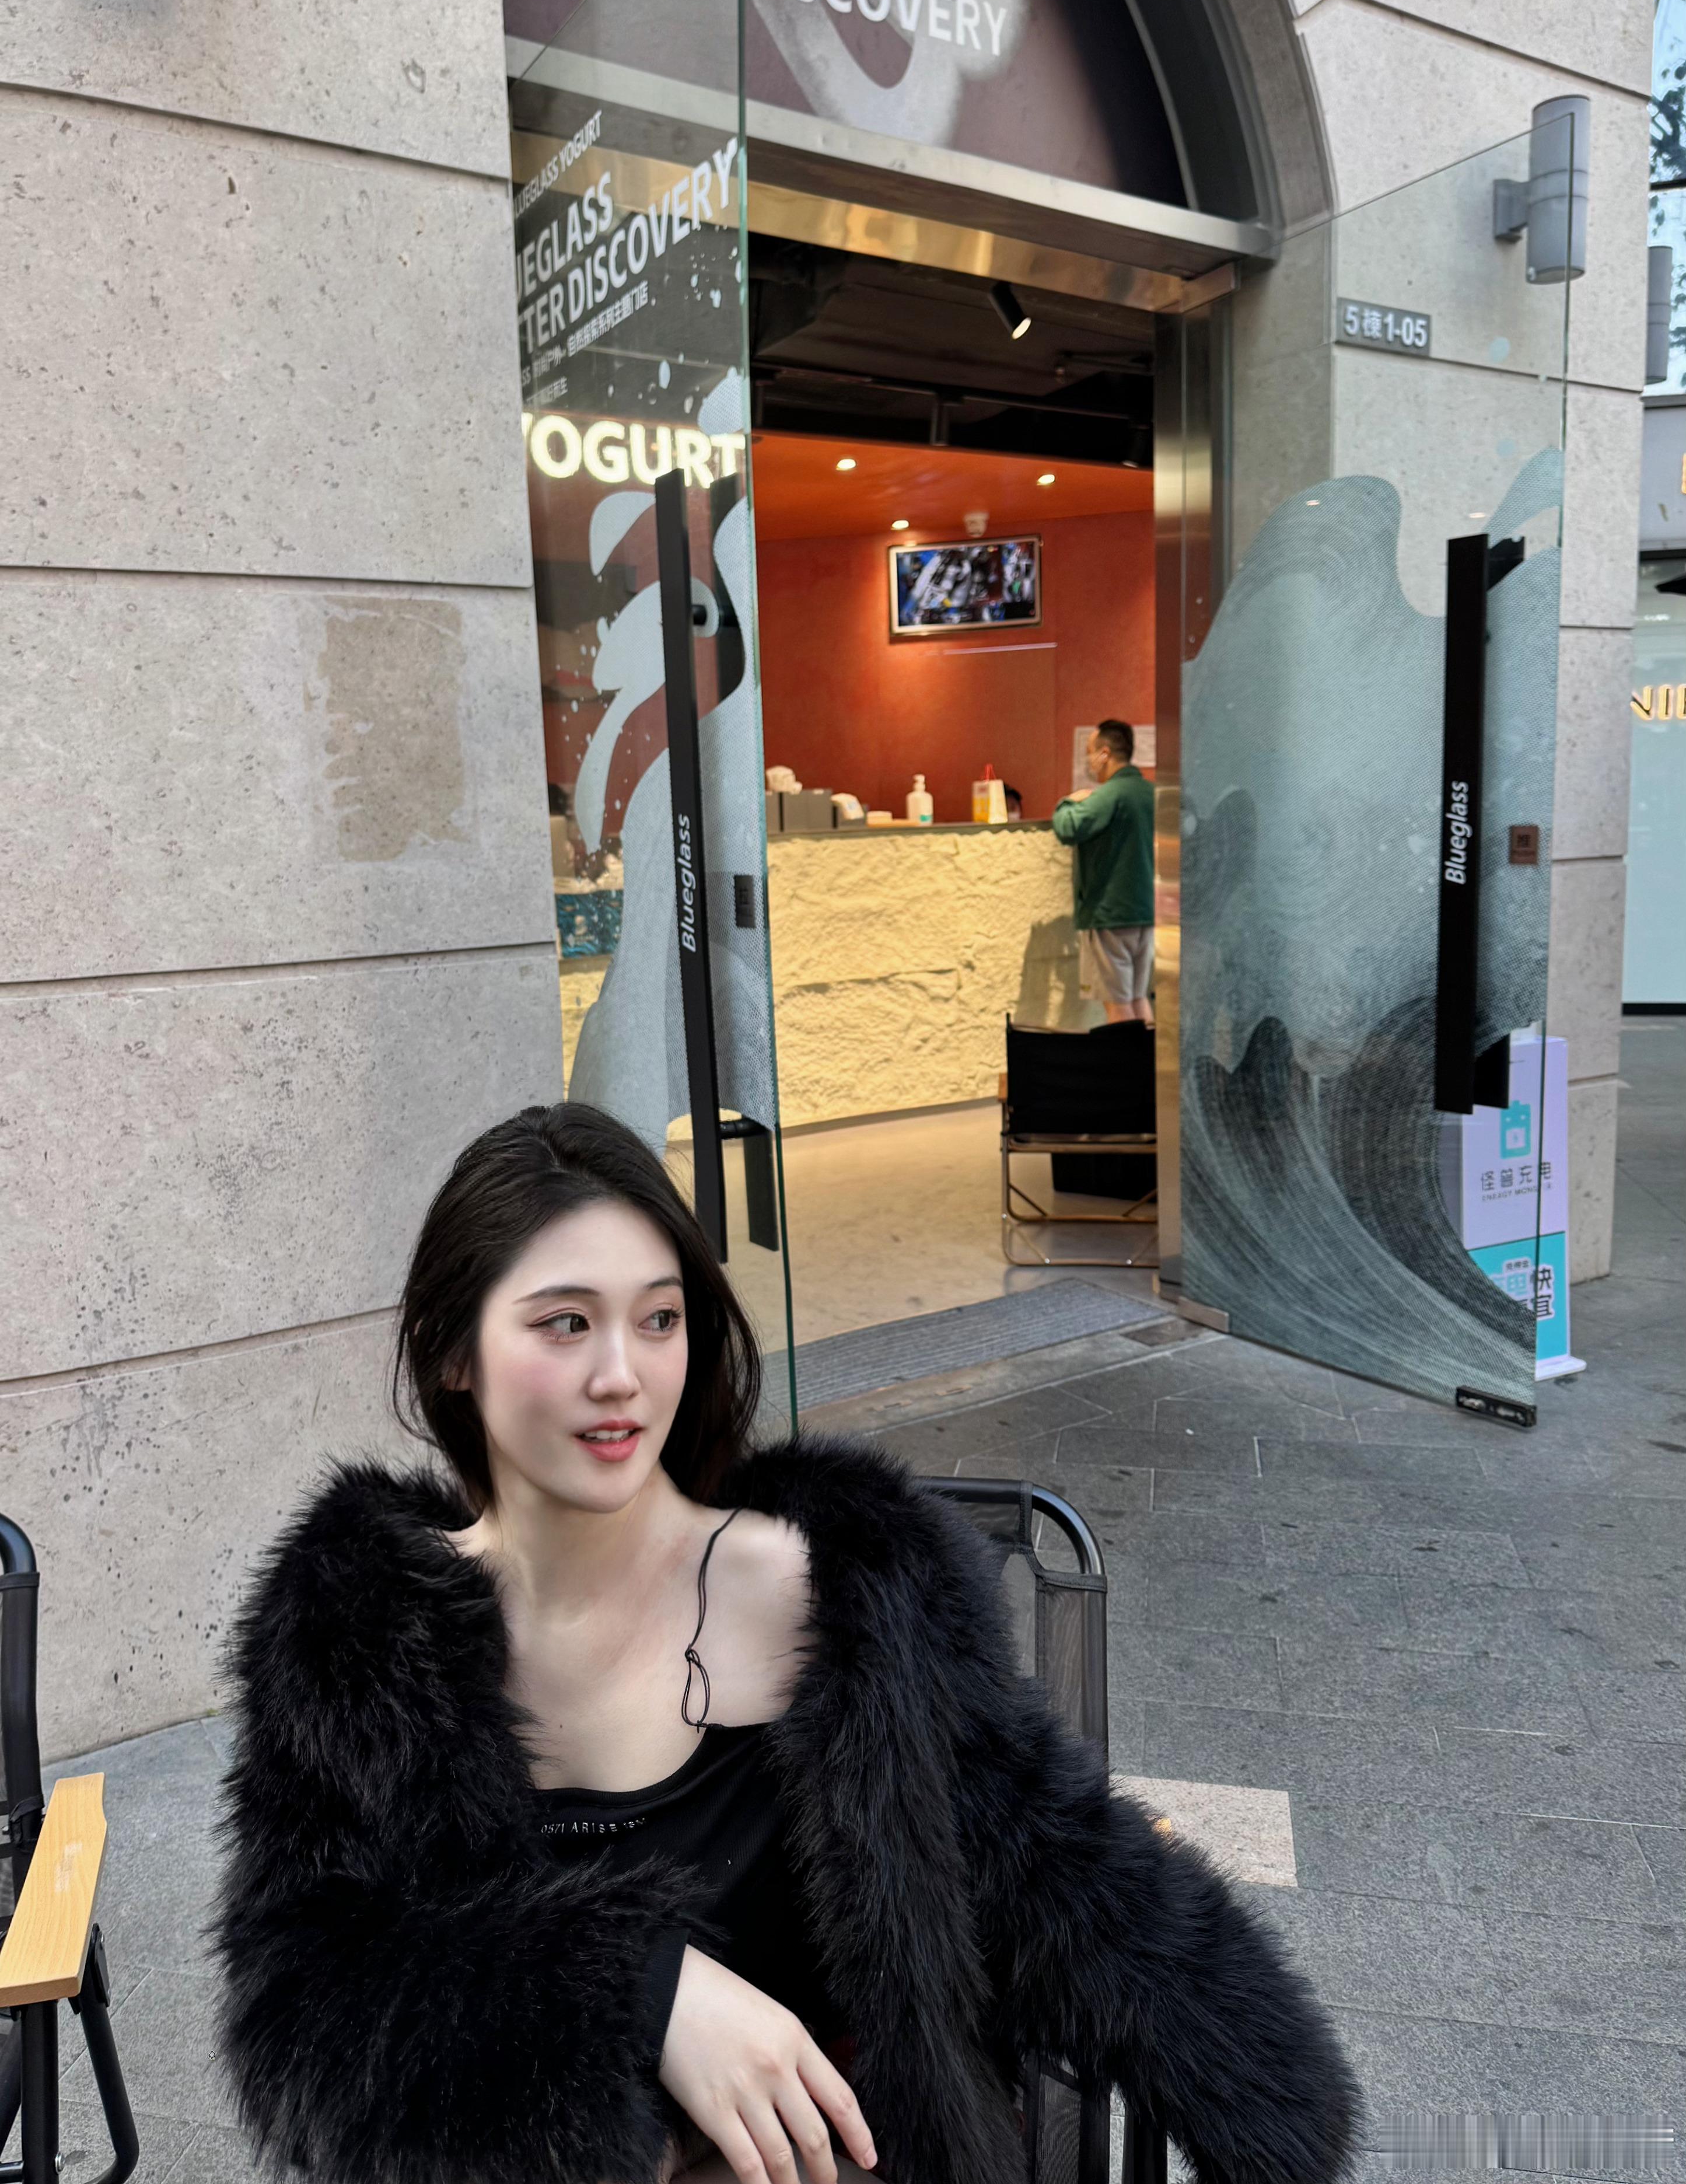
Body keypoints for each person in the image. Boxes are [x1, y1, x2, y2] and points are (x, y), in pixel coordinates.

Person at [214, 1103, 1359, 2184]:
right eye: (564, 1322)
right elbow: (299, 2023)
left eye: (658, 1319)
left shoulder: (840, 1582)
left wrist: (1263, 2099)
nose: (622, 1375)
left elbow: (1045, 1856)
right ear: (453, 1351)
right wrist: (640, 1990)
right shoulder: (358, 1633)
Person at [1053, 719, 1156, 1026]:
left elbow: (1068, 827)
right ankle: (1148, 1059)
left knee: (1118, 1007)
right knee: (1139, 999)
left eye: (1090, 752)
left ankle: (1124, 1060)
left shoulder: (1111, 795)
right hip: (1146, 912)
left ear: (1105, 754)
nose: (1088, 761)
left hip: (1111, 915)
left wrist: (1067, 804)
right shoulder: (1151, 792)